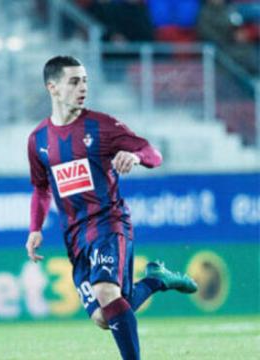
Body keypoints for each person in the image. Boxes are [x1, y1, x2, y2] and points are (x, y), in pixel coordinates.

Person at [25, 55, 198, 360]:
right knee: (104, 317)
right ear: (52, 87)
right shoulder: (38, 139)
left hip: (109, 223)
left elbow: (151, 152)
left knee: (106, 291)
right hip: (75, 236)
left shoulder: (101, 125)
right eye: (74, 81)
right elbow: (41, 187)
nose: (83, 87)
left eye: (85, 80)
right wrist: (35, 229)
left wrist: (136, 157)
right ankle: (156, 279)